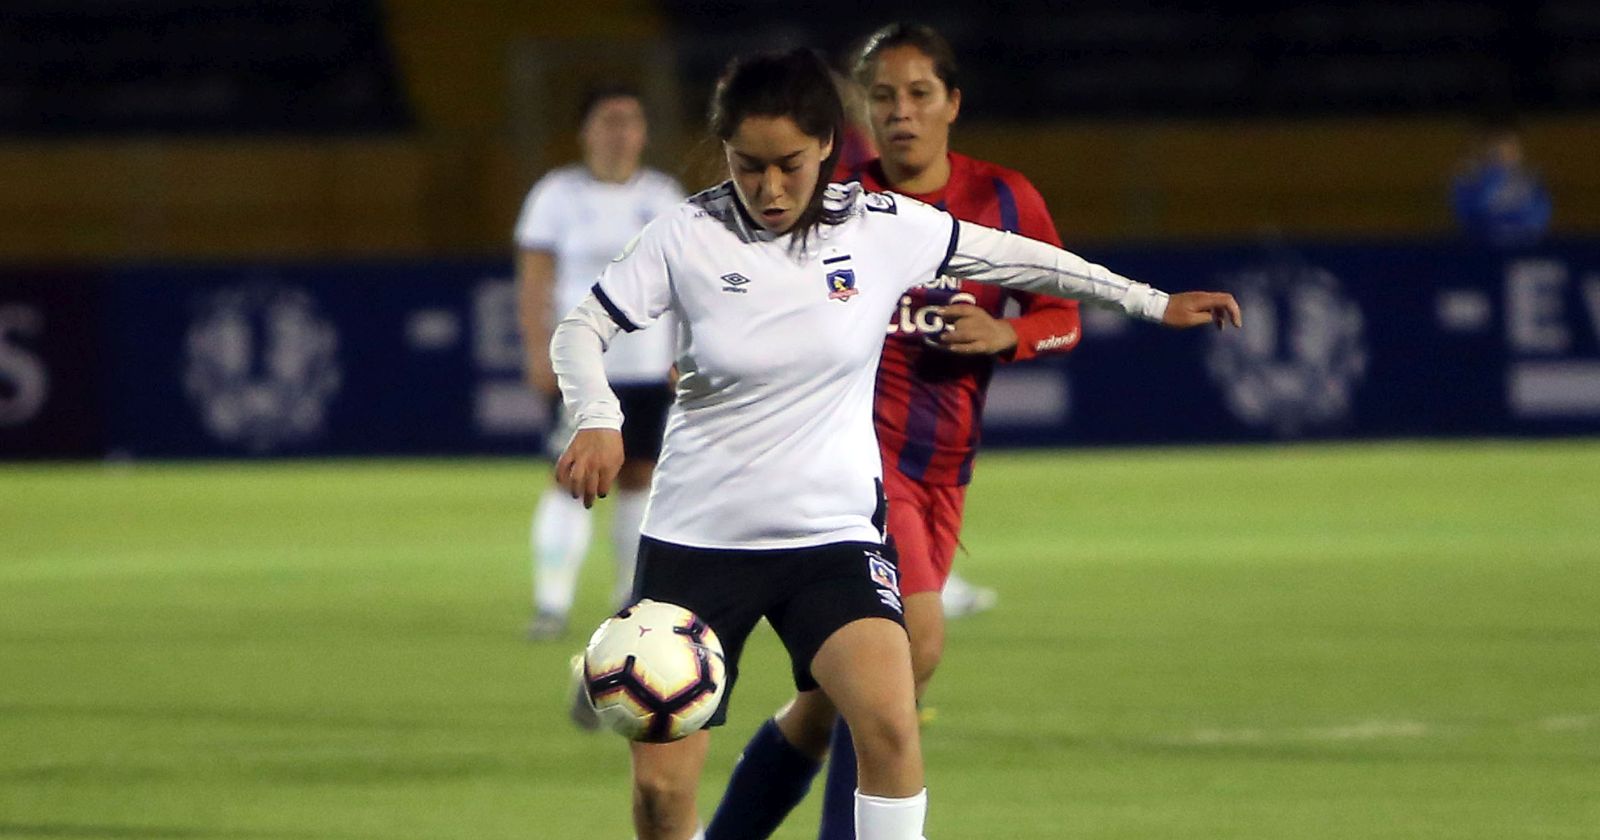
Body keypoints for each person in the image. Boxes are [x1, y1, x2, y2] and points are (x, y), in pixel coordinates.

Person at [552, 48, 1239, 840]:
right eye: (748, 166)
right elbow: (582, 329)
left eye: (790, 165)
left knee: (889, 725)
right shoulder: (685, 233)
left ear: (827, 147)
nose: (770, 188)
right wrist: (597, 416)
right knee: (661, 795)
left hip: (832, 539)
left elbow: (1020, 257)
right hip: (698, 541)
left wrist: (1152, 303)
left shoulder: (879, 228)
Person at [706, 23, 1085, 839]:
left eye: (918, 94)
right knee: (912, 647)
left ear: (953, 102)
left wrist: (1008, 333)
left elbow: (1064, 316)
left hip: (944, 471)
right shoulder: (835, 201)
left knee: (825, 705)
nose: (900, 111)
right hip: (859, 468)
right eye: (882, 96)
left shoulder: (1003, 201)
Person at [514, 85, 684, 643]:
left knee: (641, 476)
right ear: (585, 131)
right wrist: (538, 350)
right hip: (586, 366)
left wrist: (683, 354)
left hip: (649, 365)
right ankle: (552, 602)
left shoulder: (664, 196)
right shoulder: (556, 195)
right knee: (570, 477)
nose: (620, 132)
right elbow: (534, 281)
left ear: (644, 132)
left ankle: (629, 600)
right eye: (609, 120)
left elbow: (687, 285)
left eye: (630, 120)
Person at [1450, 117, 1552, 248]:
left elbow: (1540, 217)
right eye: (1499, 146)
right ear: (1488, 149)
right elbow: (1467, 215)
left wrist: (1521, 231)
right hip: (1480, 247)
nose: (1506, 152)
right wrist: (1493, 178)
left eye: (1512, 146)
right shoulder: (1469, 178)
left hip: (1523, 246)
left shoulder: (1531, 180)